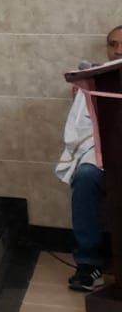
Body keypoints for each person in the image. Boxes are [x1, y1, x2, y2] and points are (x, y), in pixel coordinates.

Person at [57, 26, 119, 292]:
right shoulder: (94, 81)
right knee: (86, 176)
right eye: (112, 44)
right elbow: (80, 128)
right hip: (103, 149)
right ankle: (89, 264)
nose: (118, 50)